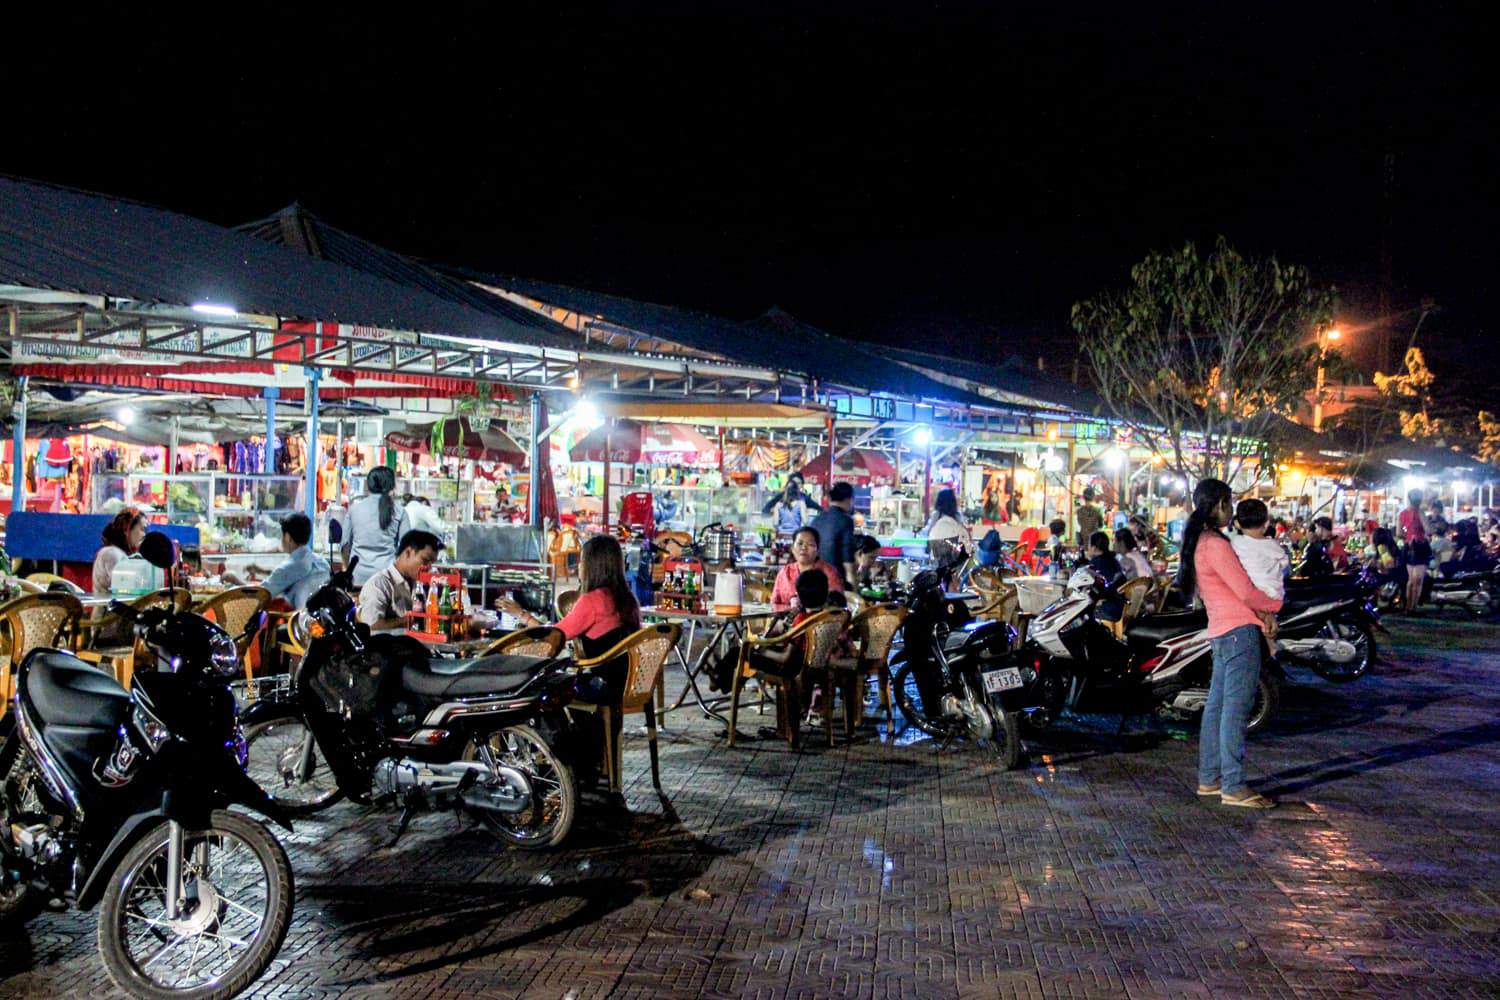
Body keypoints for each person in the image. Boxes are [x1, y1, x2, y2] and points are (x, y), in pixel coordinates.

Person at [1180, 478, 1282, 809]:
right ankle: (1233, 785)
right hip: (1239, 633)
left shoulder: (1201, 542)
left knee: (1218, 708)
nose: (1232, 510)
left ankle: (1210, 779)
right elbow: (1246, 592)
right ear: (1220, 505)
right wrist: (1274, 606)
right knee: (1234, 711)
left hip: (1222, 632)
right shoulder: (1216, 544)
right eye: (1229, 502)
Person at [500, 534, 640, 701]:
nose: (579, 566)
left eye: (582, 560)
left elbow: (553, 636)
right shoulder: (627, 599)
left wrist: (521, 615)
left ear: (593, 566)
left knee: (538, 687)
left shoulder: (593, 601)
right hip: (630, 682)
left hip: (603, 686)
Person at [357, 529, 441, 630]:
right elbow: (372, 626)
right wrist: (413, 619)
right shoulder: (379, 585)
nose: (429, 568)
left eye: (432, 563)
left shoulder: (421, 584)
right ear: (408, 553)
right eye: (425, 561)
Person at [1230, 499, 1288, 637]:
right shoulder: (1271, 545)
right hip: (1272, 594)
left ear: (1238, 523)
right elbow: (1284, 562)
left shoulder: (1235, 542)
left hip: (1249, 596)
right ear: (1266, 523)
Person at [343, 466, 409, 588]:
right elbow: (407, 548)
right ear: (391, 485)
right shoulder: (400, 511)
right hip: (386, 578)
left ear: (368, 485)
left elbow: (344, 545)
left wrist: (349, 569)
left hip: (357, 577)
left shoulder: (354, 509)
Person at [260, 513, 331, 610]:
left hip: (298, 621)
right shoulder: (322, 563)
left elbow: (261, 595)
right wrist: (261, 571)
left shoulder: (288, 568)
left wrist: (235, 580)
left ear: (287, 537)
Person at [770, 526, 845, 611]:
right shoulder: (784, 572)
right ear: (792, 548)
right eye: (800, 543)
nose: (804, 548)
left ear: (817, 550)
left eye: (810, 544)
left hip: (819, 622)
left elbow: (837, 604)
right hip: (787, 621)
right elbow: (774, 604)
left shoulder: (829, 573)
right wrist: (790, 608)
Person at [810, 482, 858, 586]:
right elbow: (847, 561)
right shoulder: (846, 521)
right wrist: (854, 592)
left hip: (815, 579)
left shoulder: (816, 520)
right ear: (848, 499)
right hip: (835, 580)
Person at [93, 507, 147, 594]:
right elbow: (126, 588)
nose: (144, 534)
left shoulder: (120, 553)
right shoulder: (112, 553)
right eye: (142, 529)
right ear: (127, 529)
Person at [924, 488, 972, 569]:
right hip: (954, 557)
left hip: (938, 556)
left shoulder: (936, 515)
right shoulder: (957, 516)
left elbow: (929, 533)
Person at [1085, 531, 1126, 621]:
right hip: (1120, 606)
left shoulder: (1096, 562)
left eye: (1089, 545)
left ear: (1094, 547)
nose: (1087, 548)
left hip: (1110, 609)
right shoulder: (1113, 560)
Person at [1371, 526, 1408, 600]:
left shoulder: (1382, 547)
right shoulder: (1391, 545)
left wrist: (1377, 566)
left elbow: (1389, 565)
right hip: (1401, 574)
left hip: (1394, 576)